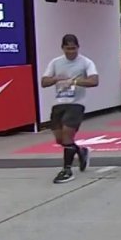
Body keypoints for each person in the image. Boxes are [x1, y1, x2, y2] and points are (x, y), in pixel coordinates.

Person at [40, 34, 99, 184]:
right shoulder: (56, 62)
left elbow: (94, 81)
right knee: (60, 139)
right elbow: (44, 82)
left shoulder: (86, 62)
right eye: (68, 49)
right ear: (63, 48)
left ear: (78, 47)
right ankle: (81, 151)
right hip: (59, 103)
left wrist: (76, 81)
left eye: (73, 49)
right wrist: (56, 79)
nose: (71, 52)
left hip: (76, 103)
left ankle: (67, 169)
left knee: (67, 135)